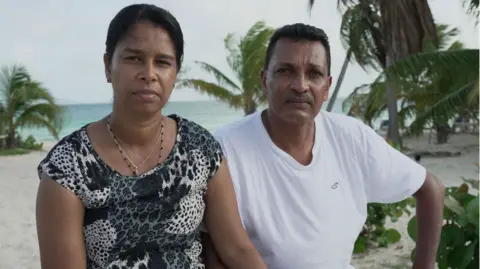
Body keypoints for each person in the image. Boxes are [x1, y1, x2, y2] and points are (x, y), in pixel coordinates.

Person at [35, 4, 267, 269]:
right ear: (108, 66)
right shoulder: (68, 166)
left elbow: (237, 249)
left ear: (175, 73)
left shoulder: (200, 149)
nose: (149, 74)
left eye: (163, 62)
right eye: (133, 58)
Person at [203, 23, 445, 269]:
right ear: (265, 81)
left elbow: (431, 189)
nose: (300, 85)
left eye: (314, 74)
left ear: (327, 87)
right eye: (285, 71)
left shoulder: (352, 138)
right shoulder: (225, 148)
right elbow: (214, 249)